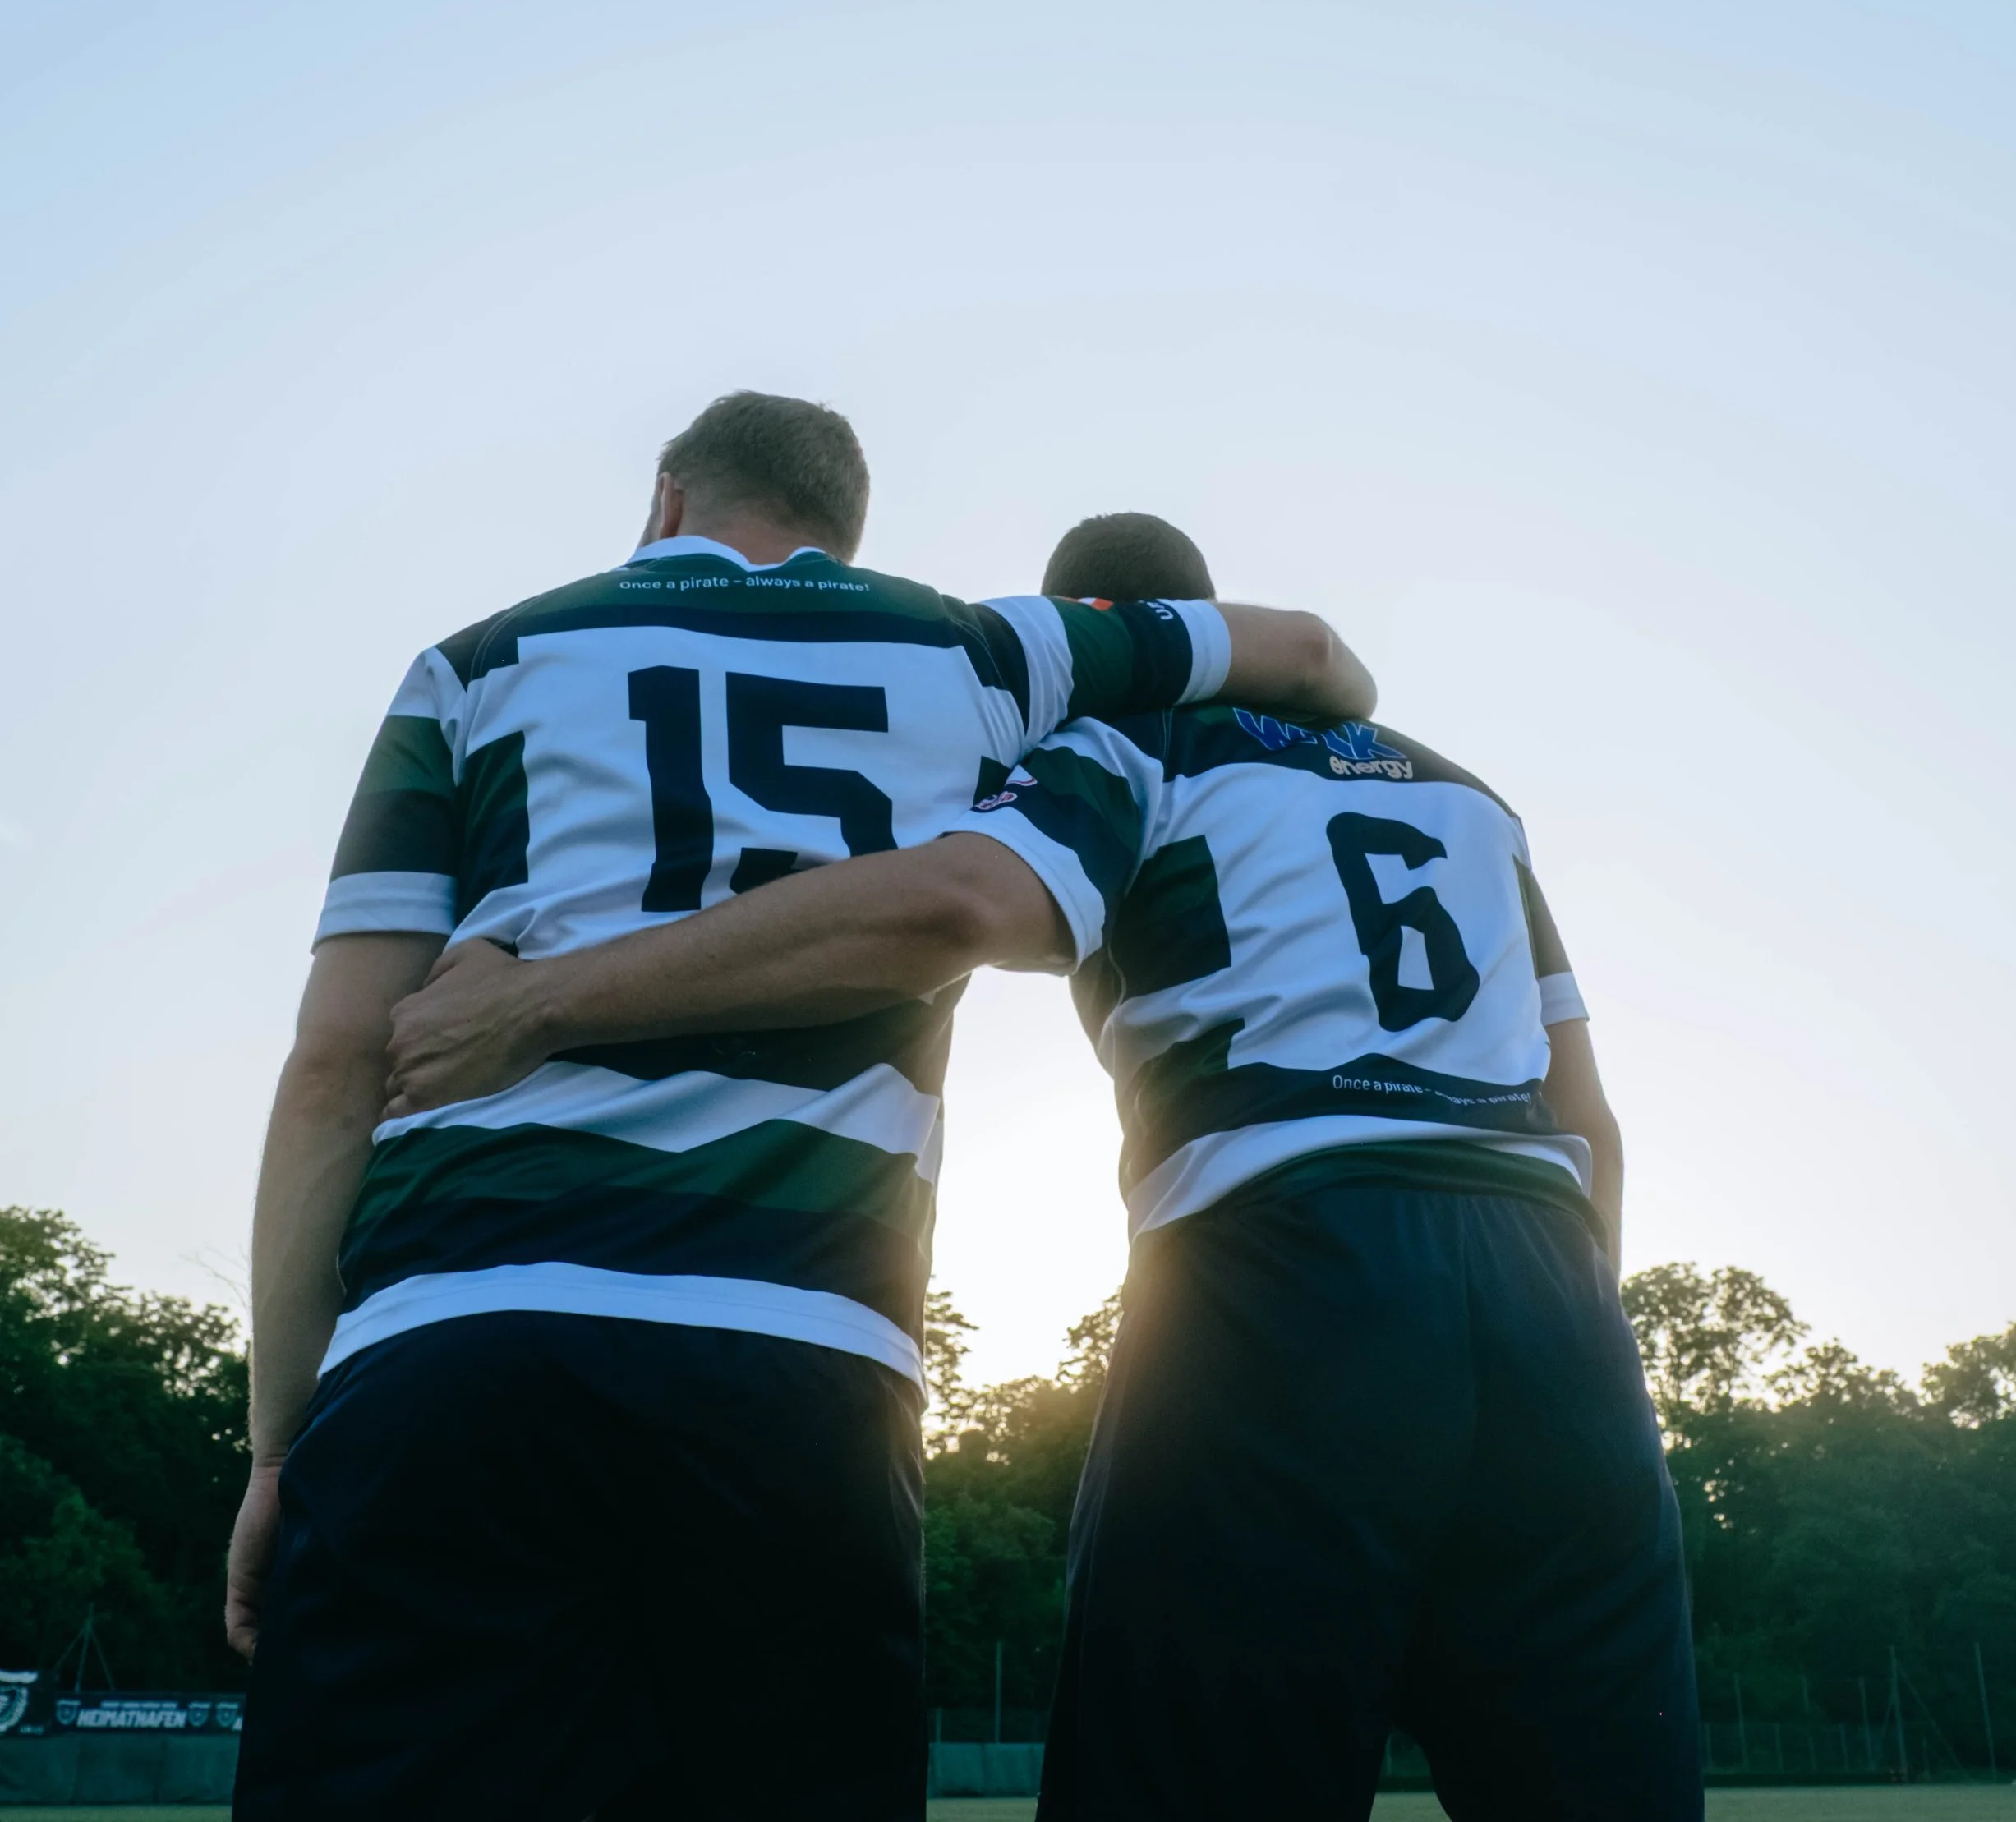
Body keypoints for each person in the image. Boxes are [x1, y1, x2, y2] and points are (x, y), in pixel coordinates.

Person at [394, 508, 1698, 1822]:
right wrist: (1565, 1333)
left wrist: (543, 1000)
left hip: (1293, 1258)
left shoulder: (1129, 741)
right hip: (1557, 1298)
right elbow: (1591, 1116)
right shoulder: (1468, 796)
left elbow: (963, 904)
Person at [231, 407, 1370, 1822]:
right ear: (845, 531)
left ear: (664, 501)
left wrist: (280, 1443)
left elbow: (336, 1067)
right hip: (797, 1358)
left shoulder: (478, 662)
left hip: (458, 1339)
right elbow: (1311, 655)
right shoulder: (977, 648)